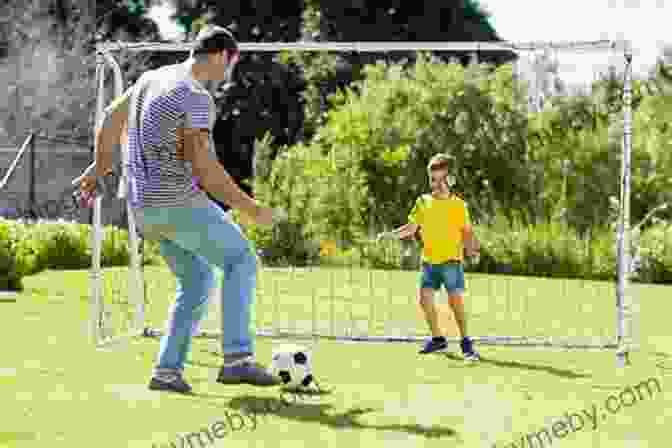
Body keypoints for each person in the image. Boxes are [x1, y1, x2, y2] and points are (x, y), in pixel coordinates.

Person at [77, 26, 282, 393]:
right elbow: (204, 169)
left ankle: (166, 372)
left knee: (198, 280)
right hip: (176, 204)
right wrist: (252, 208)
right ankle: (237, 359)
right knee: (241, 260)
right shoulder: (194, 97)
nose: (228, 74)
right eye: (231, 65)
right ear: (222, 56)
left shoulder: (150, 78)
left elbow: (110, 117)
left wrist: (100, 166)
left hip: (143, 210)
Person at [377, 153, 481, 361]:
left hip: (451, 260)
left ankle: (466, 342)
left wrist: (472, 250)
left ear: (450, 180)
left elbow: (467, 231)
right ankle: (438, 338)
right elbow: (411, 227)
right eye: (432, 179)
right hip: (429, 261)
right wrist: (391, 235)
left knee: (455, 302)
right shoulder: (423, 202)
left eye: (440, 179)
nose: (435, 183)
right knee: (425, 300)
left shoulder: (458, 205)